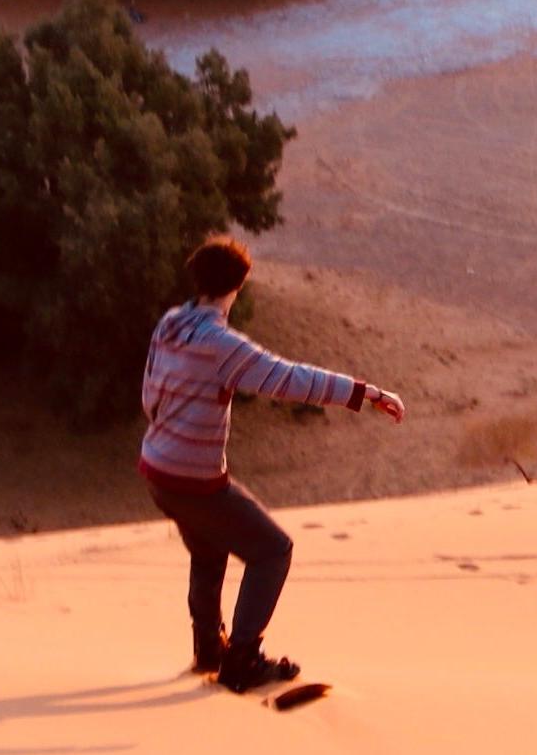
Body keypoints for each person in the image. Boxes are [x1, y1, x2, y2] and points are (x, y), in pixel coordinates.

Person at [139, 235, 403, 694]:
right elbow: (288, 379)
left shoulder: (169, 324)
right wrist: (364, 394)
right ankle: (241, 660)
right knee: (272, 551)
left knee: (208, 549)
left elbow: (150, 392)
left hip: (157, 470)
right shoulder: (222, 344)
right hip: (192, 478)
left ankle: (209, 650)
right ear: (238, 285)